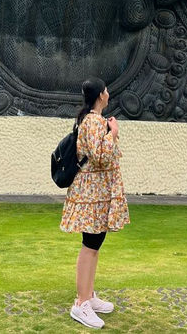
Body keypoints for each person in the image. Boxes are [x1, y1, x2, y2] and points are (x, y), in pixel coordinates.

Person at [60, 77, 130, 329]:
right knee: (89, 245)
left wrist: (108, 132)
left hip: (96, 194)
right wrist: (114, 132)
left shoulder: (92, 121)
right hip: (91, 195)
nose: (109, 93)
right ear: (101, 95)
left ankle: (89, 296)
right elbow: (100, 156)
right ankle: (80, 304)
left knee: (95, 244)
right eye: (107, 90)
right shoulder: (93, 122)